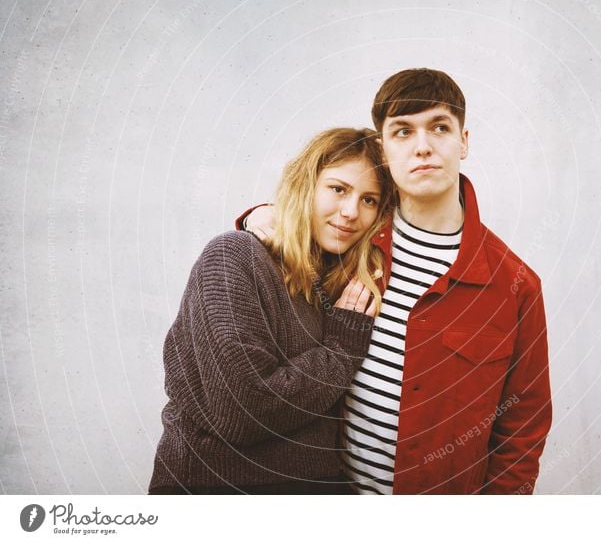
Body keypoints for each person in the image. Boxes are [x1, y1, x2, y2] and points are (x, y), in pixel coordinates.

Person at [239, 68, 552, 494]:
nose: (422, 147)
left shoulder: (515, 285)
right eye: (403, 132)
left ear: (463, 141)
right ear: (383, 149)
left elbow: (524, 426)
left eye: (439, 128)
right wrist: (256, 215)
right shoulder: (353, 239)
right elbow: (294, 227)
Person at [149, 127, 394, 494]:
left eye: (369, 200)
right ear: (305, 185)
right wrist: (342, 349)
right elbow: (244, 412)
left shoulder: (342, 282)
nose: (350, 212)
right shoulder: (234, 258)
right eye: (338, 189)